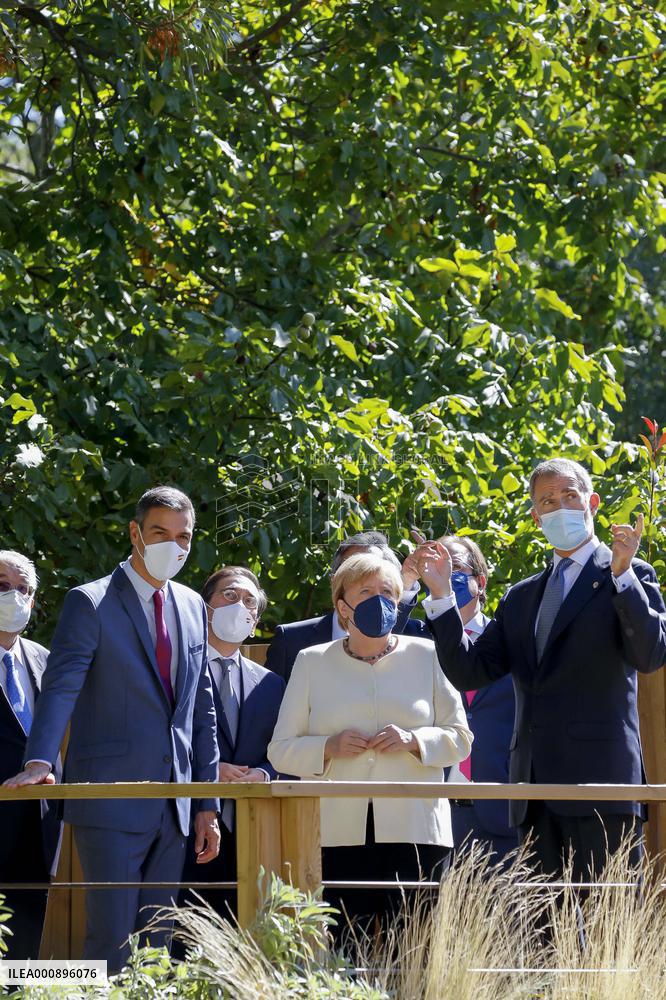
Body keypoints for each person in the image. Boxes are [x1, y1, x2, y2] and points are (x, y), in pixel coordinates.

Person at [4, 487, 220, 972]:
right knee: (112, 942)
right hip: (108, 800)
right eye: (160, 533)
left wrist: (207, 802)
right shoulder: (90, 601)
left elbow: (200, 709)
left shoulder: (192, 605)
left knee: (157, 946)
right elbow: (61, 687)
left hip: (176, 806)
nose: (173, 545)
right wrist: (39, 760)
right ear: (135, 534)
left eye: (183, 536)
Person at [420, 458, 666, 881]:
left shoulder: (628, 574)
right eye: (548, 501)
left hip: (602, 786)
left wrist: (623, 574)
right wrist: (442, 597)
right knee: (542, 920)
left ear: (592, 502)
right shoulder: (522, 596)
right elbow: (470, 671)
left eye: (570, 495)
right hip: (532, 791)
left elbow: (650, 655)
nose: (560, 506)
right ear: (536, 517)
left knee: (609, 912)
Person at [267, 552, 472, 943]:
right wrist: (327, 747)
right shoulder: (311, 661)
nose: (380, 600)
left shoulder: (430, 655)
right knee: (346, 947)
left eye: (387, 592)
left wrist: (415, 741)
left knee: (415, 947)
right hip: (338, 832)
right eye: (366, 592)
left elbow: (461, 739)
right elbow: (280, 749)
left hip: (417, 828)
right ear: (342, 606)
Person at [180, 565, 285, 919]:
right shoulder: (178, 670)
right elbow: (161, 740)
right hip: (186, 828)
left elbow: (286, 749)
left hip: (253, 833)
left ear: (255, 622)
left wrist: (264, 773)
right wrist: (209, 770)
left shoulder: (271, 684)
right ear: (205, 607)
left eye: (249, 601)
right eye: (229, 595)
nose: (240, 605)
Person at [438, 536, 518, 866]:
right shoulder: (418, 639)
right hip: (434, 810)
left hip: (504, 807)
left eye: (455, 567)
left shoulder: (512, 637)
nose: (446, 576)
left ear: (480, 582)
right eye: (438, 569)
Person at [0, 551, 62, 960]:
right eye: (3, 586)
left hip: (35, 827)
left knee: (22, 960)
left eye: (23, 589)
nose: (14, 596)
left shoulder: (44, 659)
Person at [265, 531, 427, 683]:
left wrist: (414, 580)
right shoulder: (291, 641)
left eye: (376, 571)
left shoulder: (418, 638)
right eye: (356, 571)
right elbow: (273, 701)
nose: (367, 578)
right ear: (335, 581)